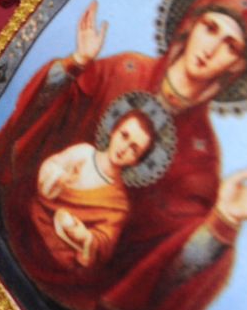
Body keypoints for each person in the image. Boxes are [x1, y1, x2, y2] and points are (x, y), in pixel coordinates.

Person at [0, 0, 247, 310]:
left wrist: (221, 224)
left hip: (67, 309)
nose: (212, 48)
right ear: (190, 23)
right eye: (210, 27)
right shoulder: (122, 70)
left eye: (230, 44)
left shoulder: (202, 164)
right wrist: (75, 64)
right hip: (5, 230)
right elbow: (39, 117)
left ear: (237, 65)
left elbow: (165, 275)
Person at [24, 99, 168, 278]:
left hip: (62, 251)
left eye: (134, 149)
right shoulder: (83, 153)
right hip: (33, 220)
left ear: (136, 161)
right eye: (124, 135)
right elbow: (51, 167)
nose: (124, 148)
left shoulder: (119, 204)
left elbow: (104, 241)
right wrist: (60, 178)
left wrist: (85, 237)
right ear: (114, 131)